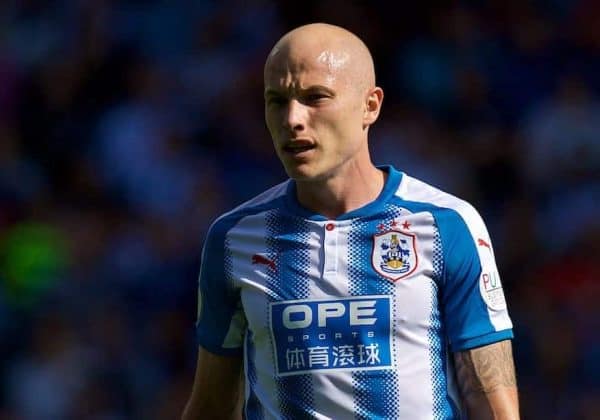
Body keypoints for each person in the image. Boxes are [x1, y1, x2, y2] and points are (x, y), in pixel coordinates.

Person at [182, 23, 519, 420]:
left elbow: (493, 403)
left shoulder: (447, 224)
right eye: (277, 101)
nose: (293, 118)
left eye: (315, 98)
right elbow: (211, 406)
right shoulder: (234, 238)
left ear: (370, 105)